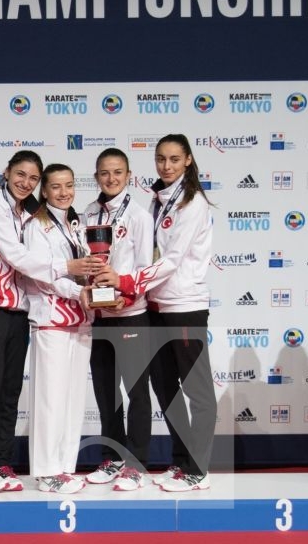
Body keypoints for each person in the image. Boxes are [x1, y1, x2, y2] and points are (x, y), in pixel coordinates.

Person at [0, 150, 102, 492]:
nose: (26, 182)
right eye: (21, 174)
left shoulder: (27, 212)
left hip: (18, 308)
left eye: (33, 178)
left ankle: (1, 462)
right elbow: (18, 257)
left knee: (10, 390)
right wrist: (67, 268)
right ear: (7, 172)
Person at [130, 135, 218, 492]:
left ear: (188, 160)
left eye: (174, 159)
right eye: (161, 159)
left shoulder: (192, 202)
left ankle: (198, 469)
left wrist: (129, 282)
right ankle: (181, 461)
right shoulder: (157, 200)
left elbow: (172, 259)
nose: (166, 166)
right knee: (165, 388)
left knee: (197, 391)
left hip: (184, 307)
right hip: (156, 305)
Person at [79, 148, 156, 492]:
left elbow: (144, 268)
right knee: (106, 392)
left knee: (137, 392)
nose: (111, 178)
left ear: (129, 176)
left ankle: (136, 464)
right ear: (96, 176)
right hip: (98, 316)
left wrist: (127, 295)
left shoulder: (139, 215)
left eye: (117, 172)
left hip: (130, 315)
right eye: (104, 173)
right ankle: (112, 458)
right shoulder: (88, 213)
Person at [20, 165, 92, 493]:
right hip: (51, 318)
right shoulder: (37, 225)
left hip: (81, 318)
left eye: (69, 185)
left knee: (73, 399)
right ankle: (47, 471)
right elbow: (40, 274)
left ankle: (65, 467)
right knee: (50, 398)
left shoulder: (75, 224)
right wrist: (78, 291)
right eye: (56, 187)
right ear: (44, 191)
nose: (64, 193)